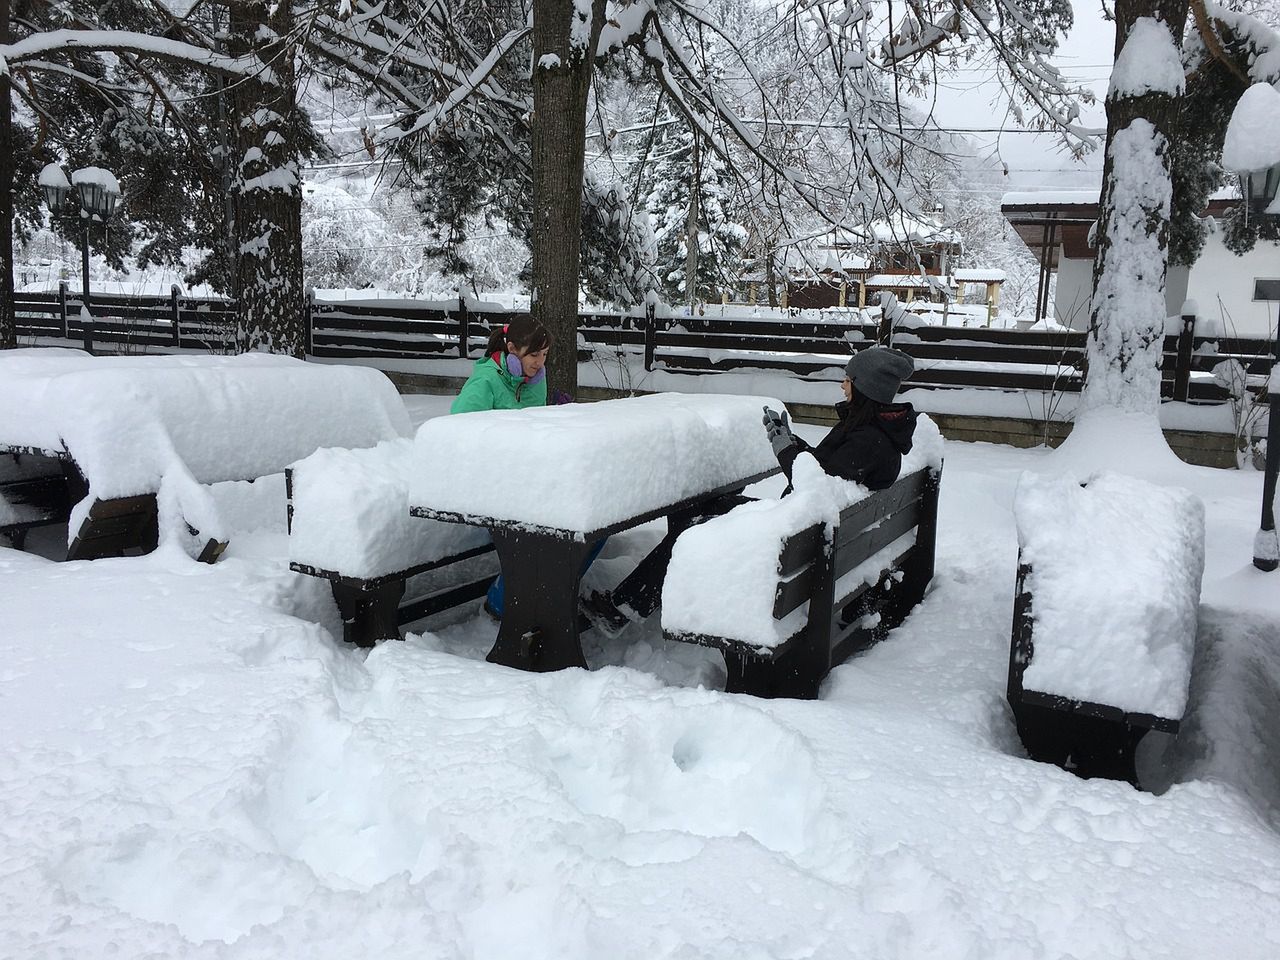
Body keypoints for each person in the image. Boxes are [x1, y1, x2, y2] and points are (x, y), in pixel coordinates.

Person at [763, 345, 917, 491]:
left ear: (866, 390)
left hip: (806, 517)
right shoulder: (870, 430)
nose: (843, 385)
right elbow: (831, 466)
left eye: (848, 380)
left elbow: (819, 489)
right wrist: (798, 446)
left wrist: (784, 451)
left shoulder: (868, 441)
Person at [451, 316, 552, 413]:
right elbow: (461, 423)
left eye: (545, 354)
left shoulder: (537, 379)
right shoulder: (485, 381)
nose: (540, 362)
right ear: (512, 348)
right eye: (534, 354)